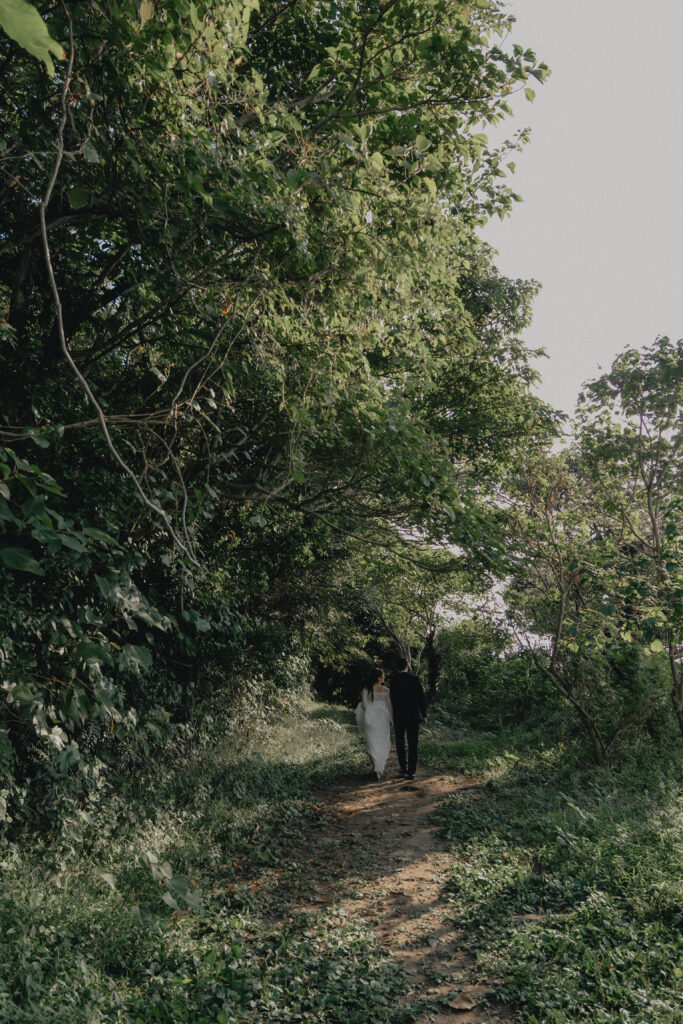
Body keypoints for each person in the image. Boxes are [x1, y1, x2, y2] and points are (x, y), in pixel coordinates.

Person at [389, 658, 427, 780]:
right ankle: (412, 772)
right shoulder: (415, 679)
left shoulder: (394, 681)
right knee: (413, 743)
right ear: (407, 665)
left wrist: (392, 716)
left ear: (397, 667)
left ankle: (403, 767)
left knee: (400, 742)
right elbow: (421, 698)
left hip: (399, 716)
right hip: (413, 716)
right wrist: (424, 715)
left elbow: (392, 700)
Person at [355, 667, 392, 780]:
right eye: (383, 675)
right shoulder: (386, 690)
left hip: (370, 718)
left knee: (371, 743)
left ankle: (375, 767)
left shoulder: (366, 690)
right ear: (379, 677)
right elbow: (390, 707)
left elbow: (365, 706)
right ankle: (377, 768)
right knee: (381, 743)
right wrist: (392, 720)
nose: (384, 677)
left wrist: (369, 715)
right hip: (382, 719)